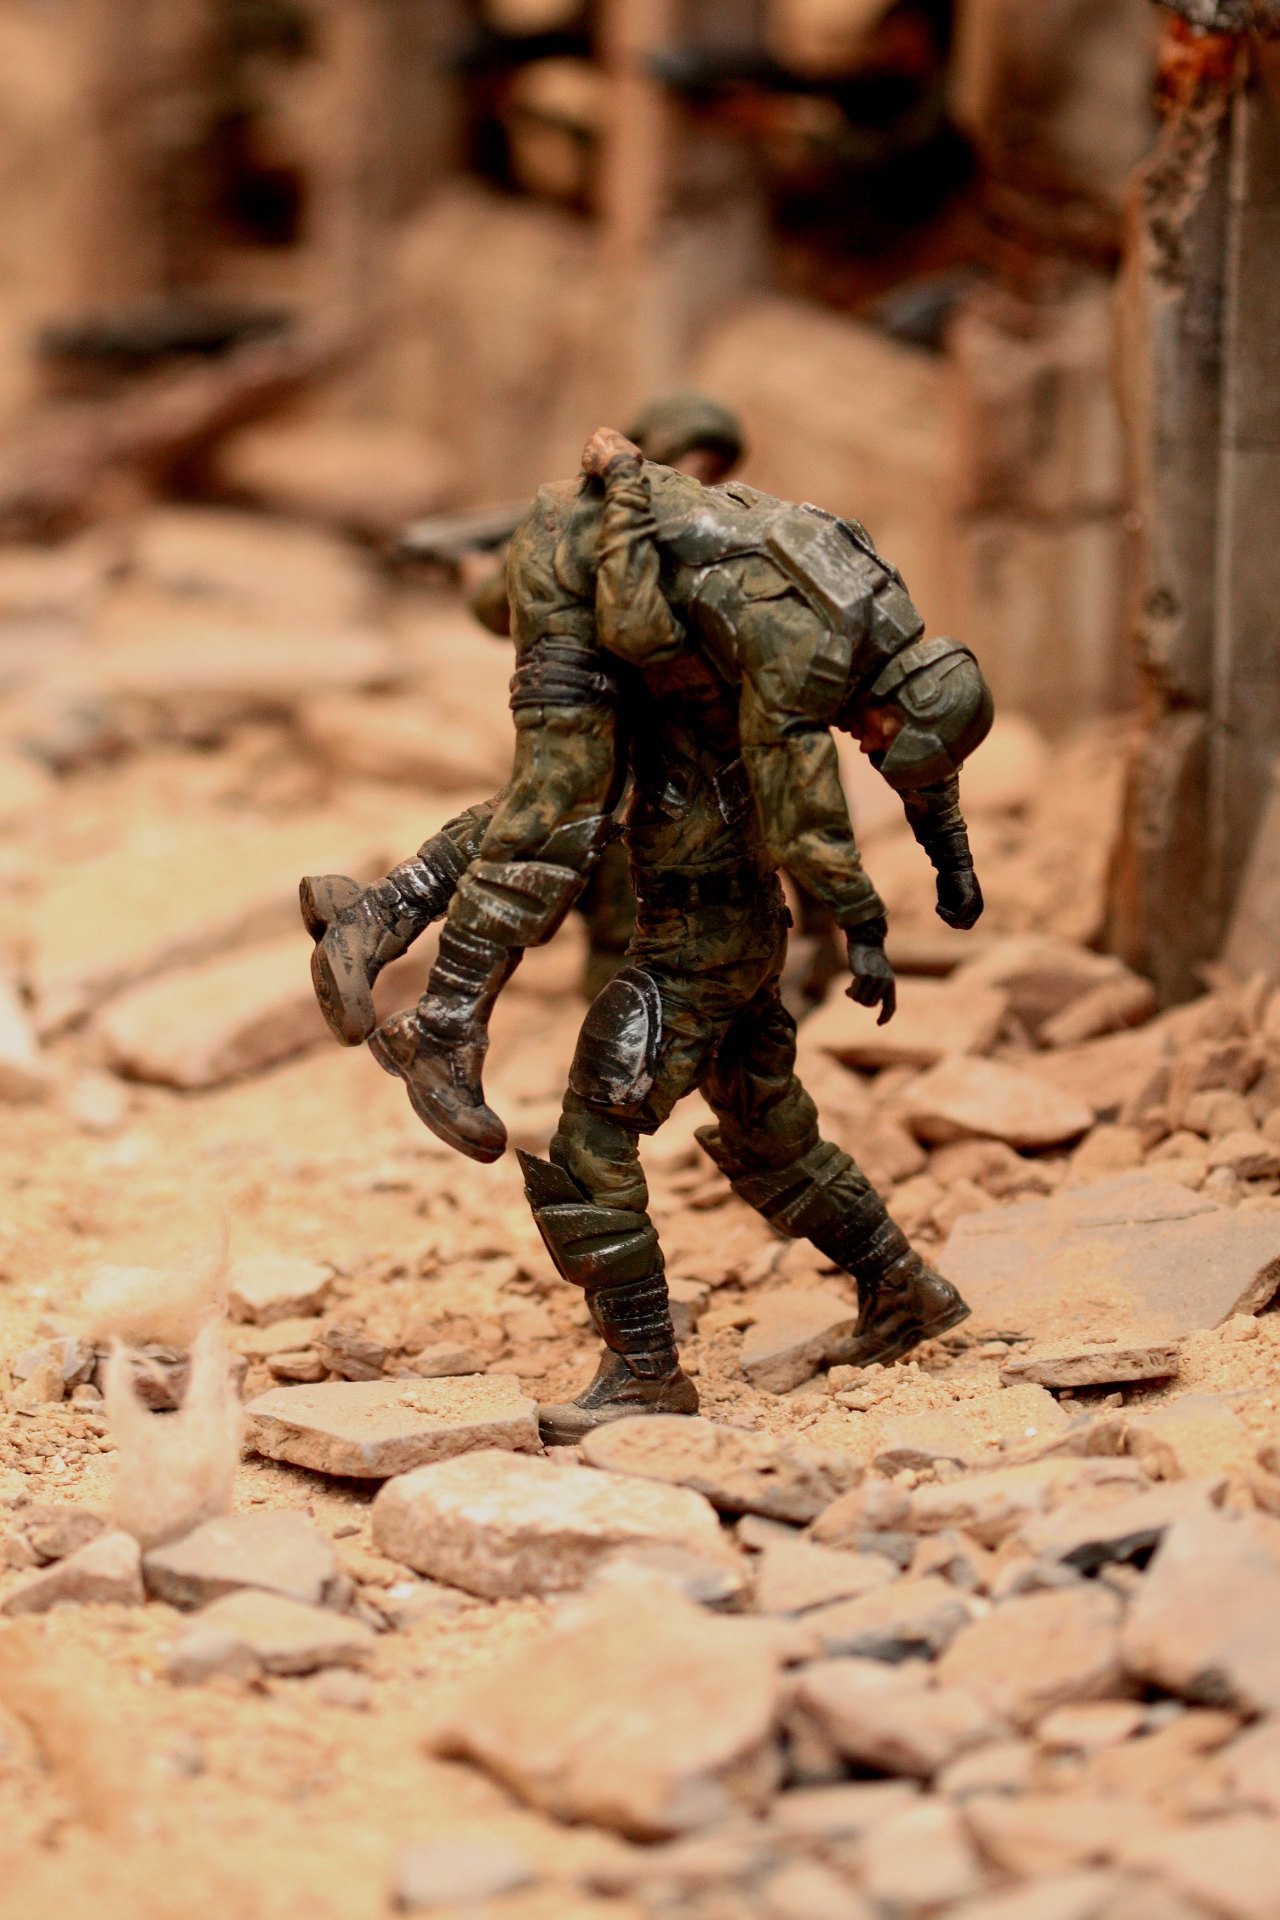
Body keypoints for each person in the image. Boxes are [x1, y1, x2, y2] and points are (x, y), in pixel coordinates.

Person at [302, 431, 992, 1441]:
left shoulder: (735, 709)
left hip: (689, 957)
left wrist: (870, 917)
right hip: (742, 945)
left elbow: (555, 807)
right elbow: (539, 806)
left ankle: (644, 1372)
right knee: (772, 1138)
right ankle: (905, 1289)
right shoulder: (730, 703)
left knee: (590, 1146)